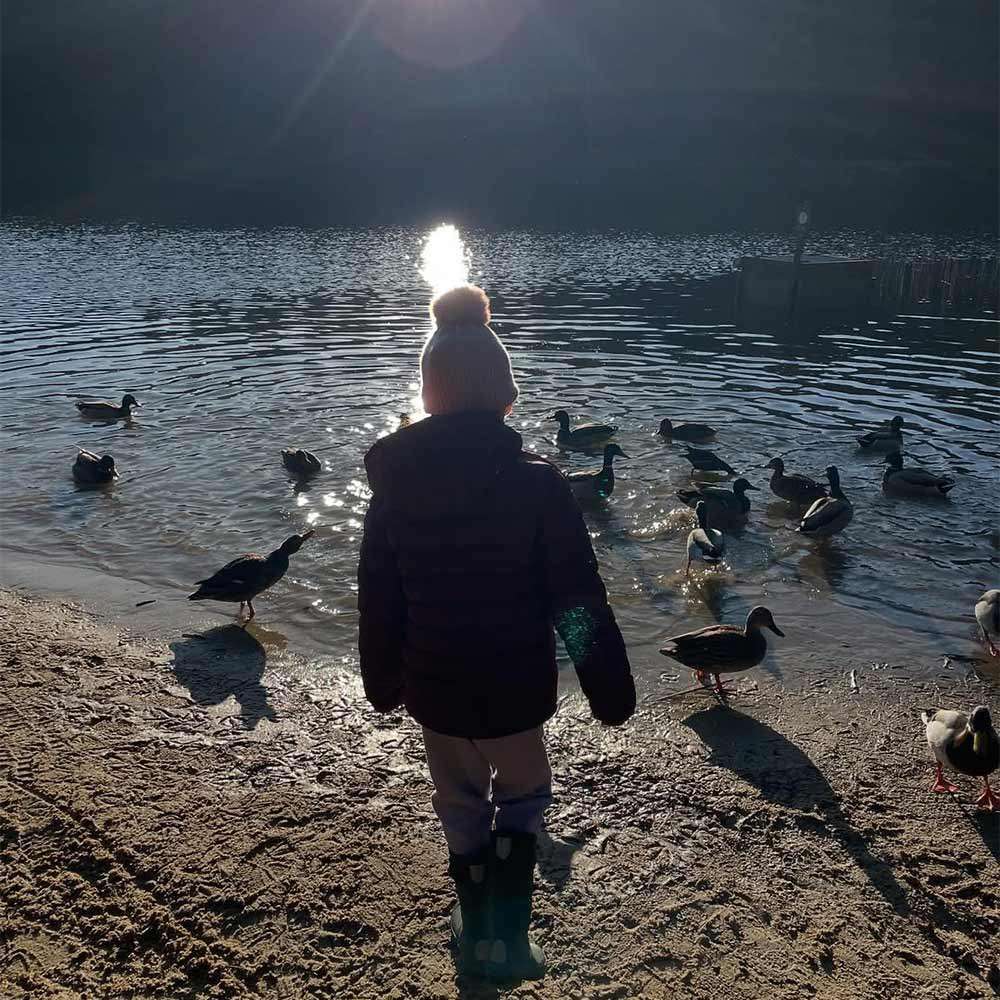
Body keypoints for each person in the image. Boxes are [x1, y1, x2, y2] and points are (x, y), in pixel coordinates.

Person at [357, 283, 635, 981]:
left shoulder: (393, 488)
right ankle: (507, 934)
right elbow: (576, 599)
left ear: (428, 396)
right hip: (514, 689)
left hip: (436, 687)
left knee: (456, 799)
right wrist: (607, 687)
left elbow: (379, 598)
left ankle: (471, 915)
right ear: (506, 395)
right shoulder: (539, 486)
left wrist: (383, 679)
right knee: (523, 798)